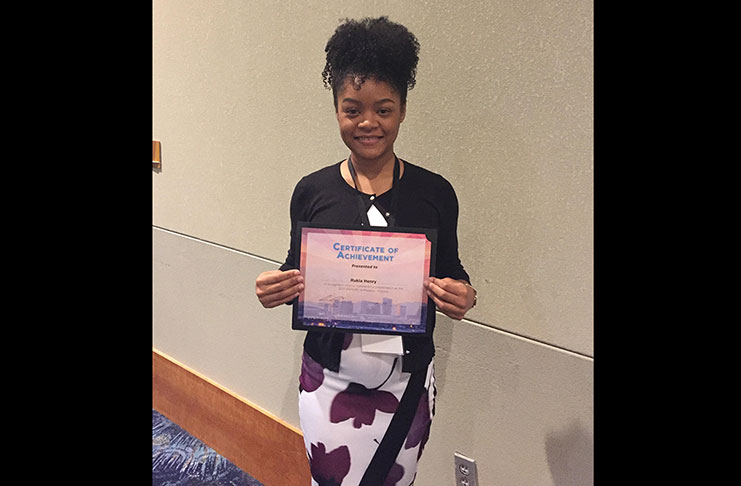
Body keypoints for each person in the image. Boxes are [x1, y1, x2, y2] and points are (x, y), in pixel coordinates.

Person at [255, 16, 476, 486]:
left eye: (384, 109)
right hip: (328, 380)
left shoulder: (434, 193)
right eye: (353, 109)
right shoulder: (312, 191)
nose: (368, 123)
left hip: (406, 379)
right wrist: (277, 285)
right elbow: (299, 268)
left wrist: (462, 294)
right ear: (337, 109)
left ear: (402, 110)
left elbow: (453, 270)